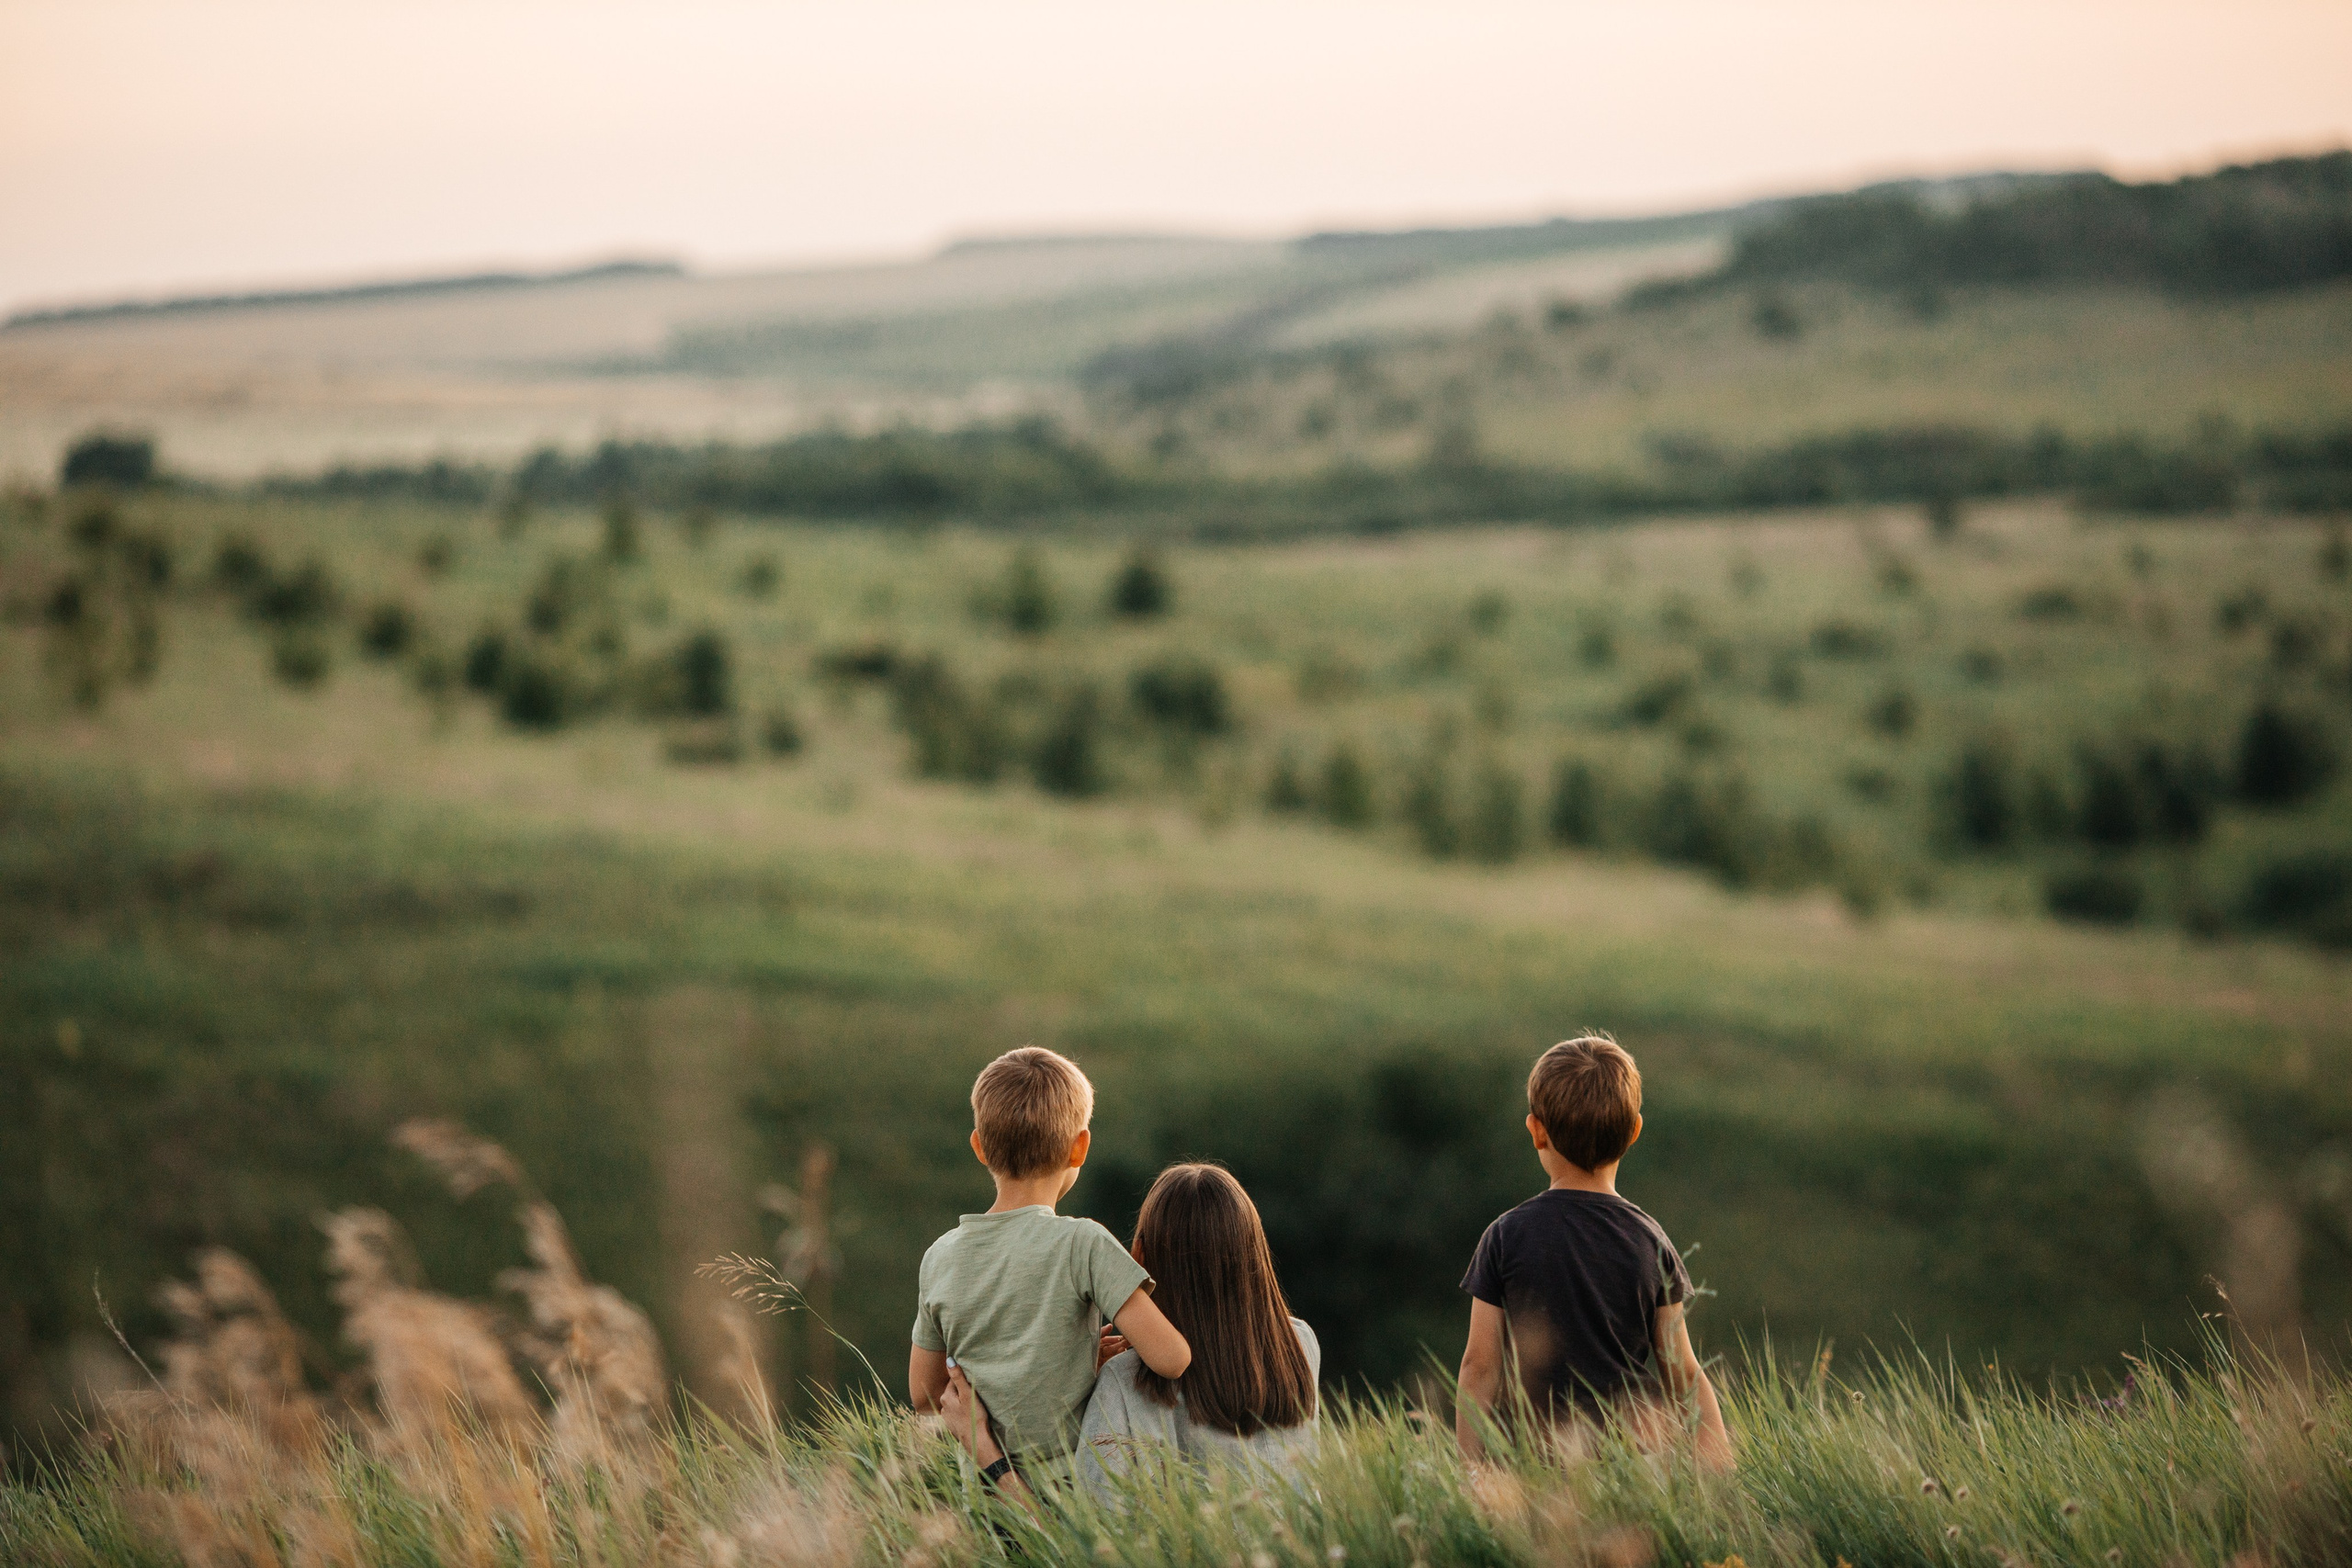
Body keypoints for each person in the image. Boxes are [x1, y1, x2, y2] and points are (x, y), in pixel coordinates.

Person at [941, 1162, 1321, 1506]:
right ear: (1256, 1255)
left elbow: (1078, 1549)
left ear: (1137, 1257)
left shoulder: (1124, 1384)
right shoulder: (1300, 1346)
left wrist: (985, 1452)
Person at [909, 1047, 1191, 1490]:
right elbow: (1172, 1359)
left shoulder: (939, 1256)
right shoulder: (1083, 1242)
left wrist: (1073, 1356)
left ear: (979, 1147)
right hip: (1073, 1497)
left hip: (984, 1498)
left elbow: (924, 1395)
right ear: (1080, 1147)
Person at [1454, 1032, 1732, 1471]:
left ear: (1536, 1131)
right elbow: (1683, 1373)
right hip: (1630, 1472)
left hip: (1531, 1469)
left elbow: (1479, 1367)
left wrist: (1470, 1474)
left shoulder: (1505, 1235)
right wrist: (1720, 1470)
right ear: (1635, 1130)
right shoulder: (1651, 1241)